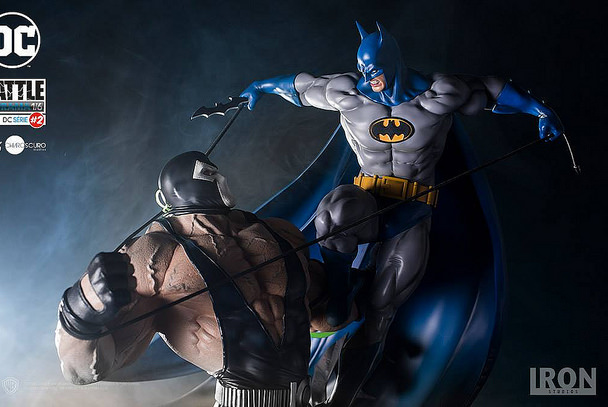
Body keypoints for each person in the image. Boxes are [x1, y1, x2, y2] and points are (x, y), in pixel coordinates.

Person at [239, 21, 564, 405]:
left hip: (413, 207)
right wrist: (257, 87)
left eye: (375, 69)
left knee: (381, 310)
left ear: (395, 63)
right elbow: (298, 86)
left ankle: (342, 397)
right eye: (363, 69)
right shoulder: (348, 93)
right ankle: (340, 294)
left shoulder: (440, 93)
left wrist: (541, 111)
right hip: (367, 198)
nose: (368, 77)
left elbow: (492, 90)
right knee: (334, 213)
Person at [55, 151, 350, 407]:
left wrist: (340, 260)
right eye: (207, 173)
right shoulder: (154, 254)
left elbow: (325, 318)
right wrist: (82, 308)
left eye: (214, 171)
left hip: (307, 397)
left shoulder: (279, 232)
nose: (218, 178)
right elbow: (81, 370)